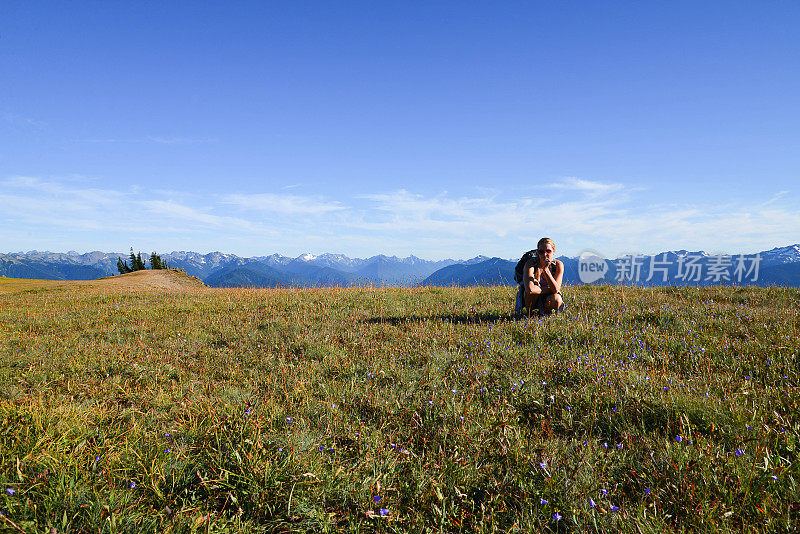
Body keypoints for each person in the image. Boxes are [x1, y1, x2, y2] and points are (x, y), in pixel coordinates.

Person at [522, 237, 564, 316]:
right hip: (533, 298)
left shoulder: (558, 265)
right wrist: (550, 289)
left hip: (548, 298)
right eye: (541, 252)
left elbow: (556, 289)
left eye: (548, 251)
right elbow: (530, 290)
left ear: (554, 251)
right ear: (538, 252)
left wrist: (546, 270)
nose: (545, 254)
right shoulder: (530, 264)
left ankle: (545, 314)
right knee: (531, 294)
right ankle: (529, 314)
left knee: (557, 299)